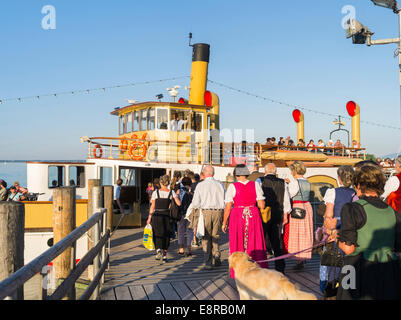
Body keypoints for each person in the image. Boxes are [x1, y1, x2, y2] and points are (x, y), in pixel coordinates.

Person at [335, 164, 401, 300]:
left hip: (359, 271)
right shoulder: (393, 213)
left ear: (359, 185)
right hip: (388, 273)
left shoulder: (352, 209)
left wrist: (337, 237)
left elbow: (348, 248)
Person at [222, 164, 268, 278]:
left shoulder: (233, 187)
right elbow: (261, 205)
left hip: (238, 215)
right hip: (253, 215)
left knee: (238, 242)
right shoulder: (255, 184)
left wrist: (224, 222)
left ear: (236, 174)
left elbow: (228, 207)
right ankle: (256, 269)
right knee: (255, 241)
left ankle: (239, 271)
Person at [319, 165, 357, 292]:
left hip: (336, 226)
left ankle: (327, 286)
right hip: (350, 227)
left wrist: (330, 231)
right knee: (346, 258)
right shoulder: (355, 193)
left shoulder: (332, 192)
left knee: (330, 259)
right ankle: (344, 285)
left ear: (339, 179)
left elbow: (329, 214)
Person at [257, 163, 291, 273]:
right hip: (278, 214)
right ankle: (280, 268)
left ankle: (261, 266)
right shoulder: (282, 182)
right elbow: (286, 200)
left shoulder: (259, 180)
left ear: (265, 171)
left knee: (261, 240)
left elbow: (257, 197)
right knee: (277, 242)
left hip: (263, 214)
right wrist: (286, 215)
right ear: (275, 171)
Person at [191, 165, 225, 270]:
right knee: (216, 235)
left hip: (205, 212)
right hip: (218, 212)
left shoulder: (200, 185)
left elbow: (195, 203)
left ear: (204, 173)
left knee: (206, 237)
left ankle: (208, 262)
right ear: (213, 173)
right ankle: (217, 253)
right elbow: (224, 199)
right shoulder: (220, 184)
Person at [283, 161, 314, 270]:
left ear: (294, 171)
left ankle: (299, 258)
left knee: (297, 233)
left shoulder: (295, 182)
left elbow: (289, 195)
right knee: (305, 233)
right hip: (307, 206)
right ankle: (303, 258)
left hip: (297, 208)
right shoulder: (307, 181)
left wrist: (286, 185)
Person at [147, 175, 181, 263]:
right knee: (166, 235)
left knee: (157, 233)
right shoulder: (171, 192)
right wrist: (176, 196)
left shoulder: (156, 192)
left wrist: (149, 217)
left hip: (157, 215)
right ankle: (165, 256)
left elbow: (152, 206)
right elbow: (179, 203)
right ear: (168, 183)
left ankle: (158, 250)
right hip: (167, 215)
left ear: (160, 183)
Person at [177, 177, 194, 257]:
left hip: (181, 213)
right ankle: (189, 249)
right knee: (189, 231)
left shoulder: (179, 191)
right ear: (190, 183)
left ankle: (181, 249)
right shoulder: (192, 191)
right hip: (190, 214)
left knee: (180, 230)